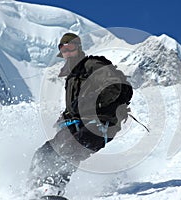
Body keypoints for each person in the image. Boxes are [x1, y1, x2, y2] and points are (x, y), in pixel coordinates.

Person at [28, 33, 133, 194]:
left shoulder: (92, 65)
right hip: (77, 124)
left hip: (101, 123)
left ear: (78, 48)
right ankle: (32, 188)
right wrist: (63, 118)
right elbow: (74, 107)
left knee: (72, 150)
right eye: (64, 50)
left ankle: (54, 188)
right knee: (44, 152)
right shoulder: (71, 77)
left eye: (71, 48)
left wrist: (91, 102)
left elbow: (115, 86)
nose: (67, 53)